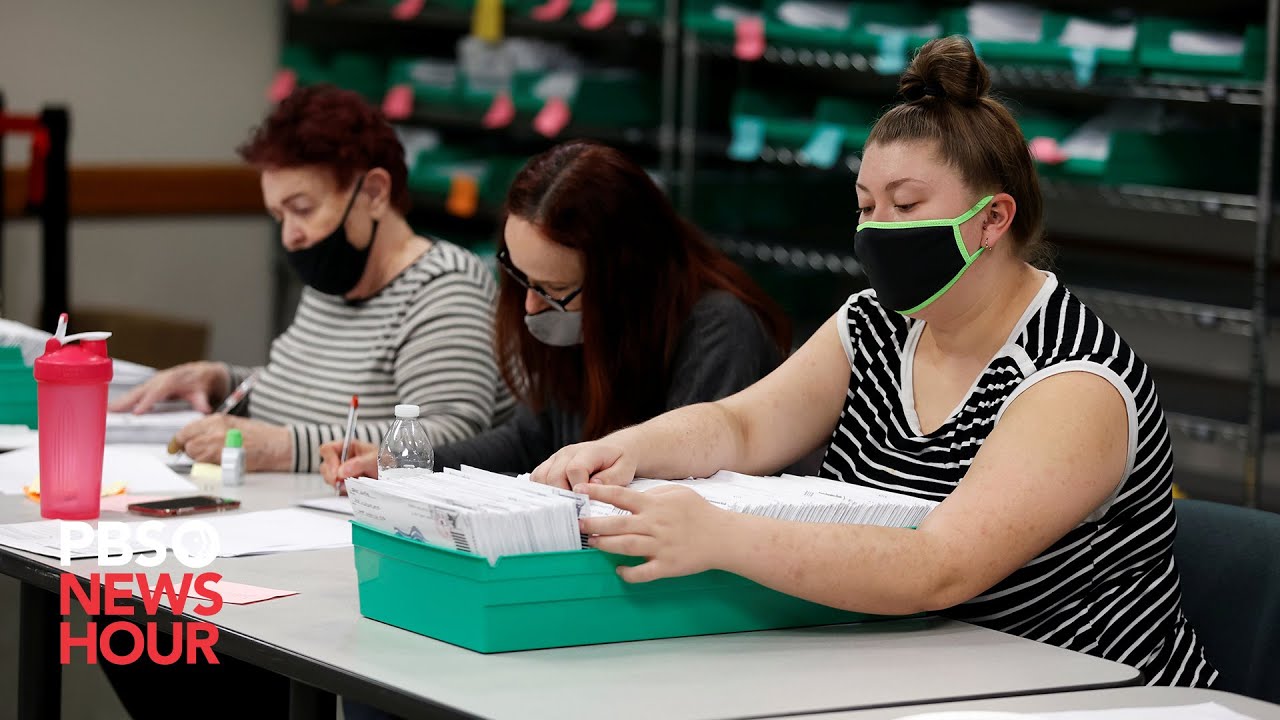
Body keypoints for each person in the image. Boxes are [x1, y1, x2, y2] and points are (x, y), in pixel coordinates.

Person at [530, 37, 1218, 687]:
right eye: (866, 205)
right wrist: (622, 451)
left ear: (993, 219)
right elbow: (743, 427)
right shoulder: (876, 324)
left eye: (907, 205)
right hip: (914, 670)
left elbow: (939, 567)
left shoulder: (1070, 380)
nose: (876, 229)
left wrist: (724, 537)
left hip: (1086, 691)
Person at [319, 140, 792, 486]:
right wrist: (414, 464)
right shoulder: (579, 330)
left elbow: (684, 487)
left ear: (624, 280)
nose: (529, 306)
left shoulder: (720, 330)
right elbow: (528, 440)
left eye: (556, 290)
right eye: (521, 279)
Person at [110, 85, 512, 473]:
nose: (290, 236)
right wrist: (221, 380)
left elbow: (449, 434)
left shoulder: (446, 289)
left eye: (302, 209)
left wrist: (278, 447)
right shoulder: (337, 283)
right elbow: (308, 394)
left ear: (373, 193)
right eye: (280, 217)